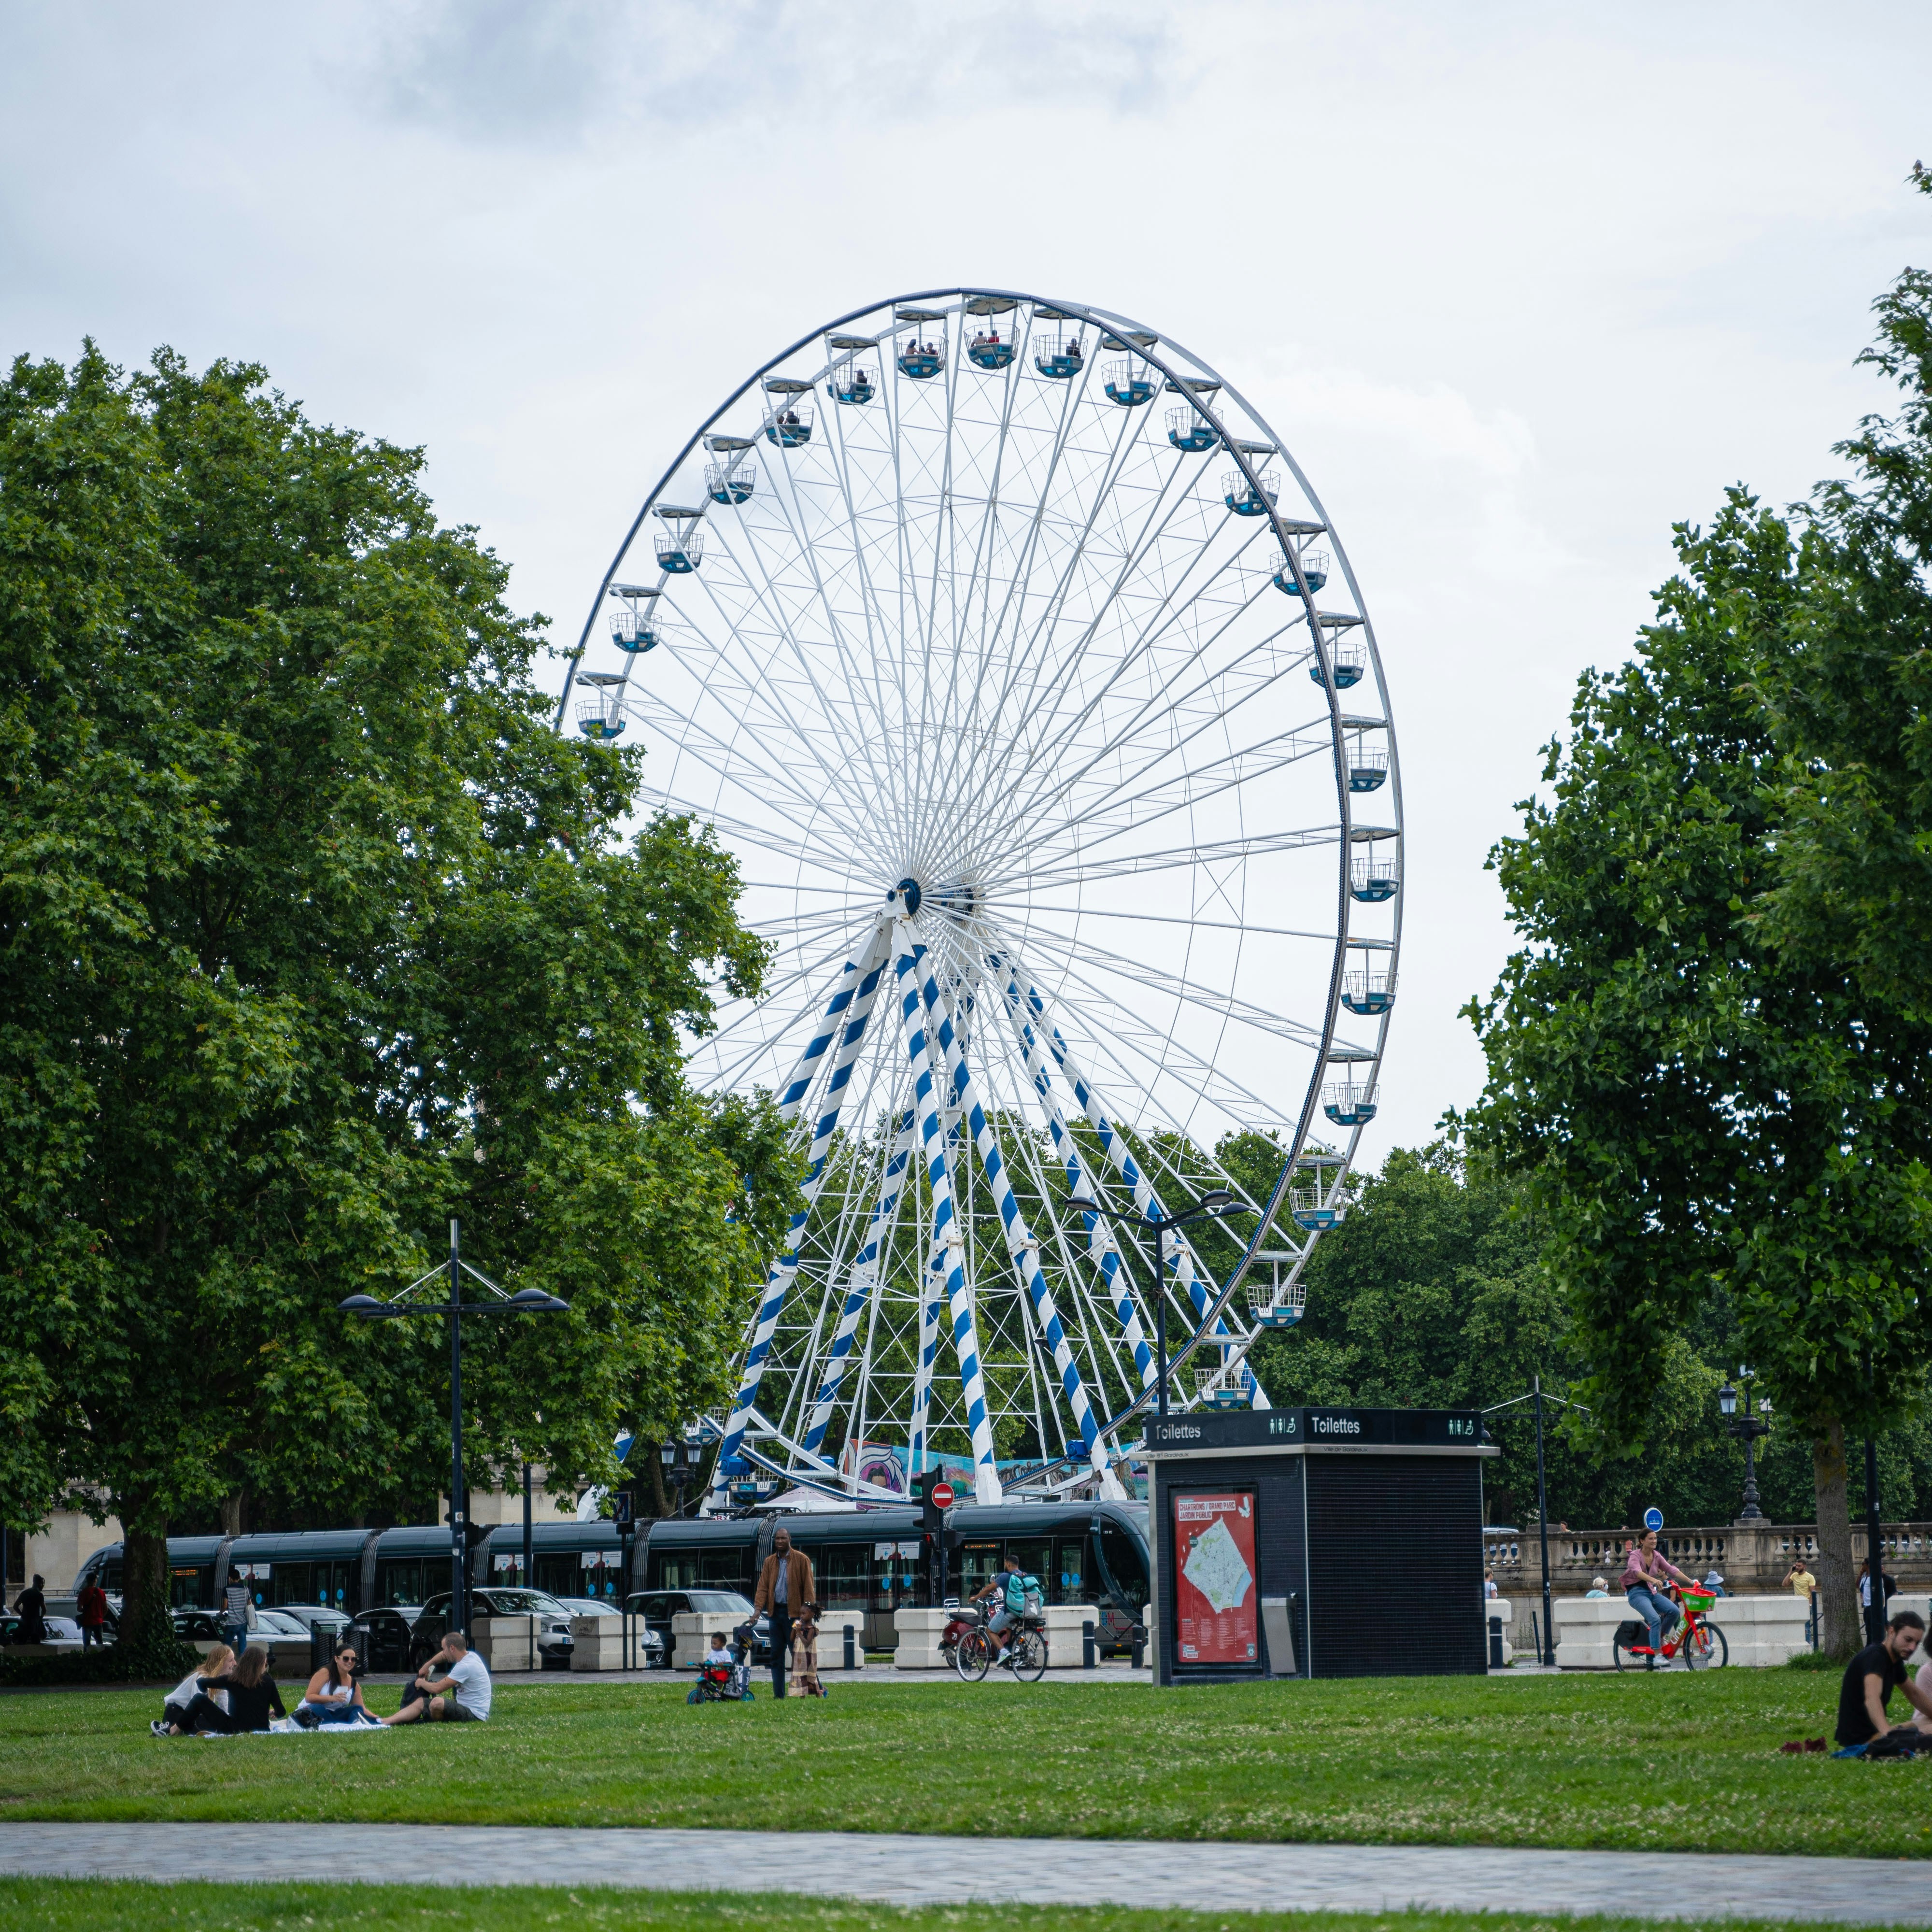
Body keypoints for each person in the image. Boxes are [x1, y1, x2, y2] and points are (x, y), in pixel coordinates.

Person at [1834, 1608, 1932, 1753]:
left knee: (1927, 1722)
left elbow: (1914, 1694)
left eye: (1917, 1643)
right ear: (1892, 1632)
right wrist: (1887, 1734)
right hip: (1864, 1741)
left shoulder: (1894, 1660)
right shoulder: (1876, 1657)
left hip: (1877, 1735)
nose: (1912, 1648)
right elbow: (1872, 1698)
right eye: (1908, 1640)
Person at [753, 1526, 817, 1699]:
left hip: (795, 1616)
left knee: (799, 1655)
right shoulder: (769, 1562)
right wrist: (758, 1610)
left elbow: (809, 1590)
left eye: (783, 1538)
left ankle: (814, 1688)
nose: (780, 1541)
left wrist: (807, 1616)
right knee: (776, 1657)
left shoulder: (802, 1560)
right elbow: (763, 1588)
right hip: (775, 1615)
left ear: (790, 1540)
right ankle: (779, 1695)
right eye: (777, 1539)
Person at [178, 1643, 285, 1734]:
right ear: (261, 1665)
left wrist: (205, 1691)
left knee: (199, 1699)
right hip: (262, 1728)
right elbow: (281, 1712)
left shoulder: (232, 1680)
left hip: (235, 1729)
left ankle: (178, 1729)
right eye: (265, 1664)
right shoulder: (268, 1682)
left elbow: (201, 1682)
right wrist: (274, 1712)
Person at [386, 1629, 490, 1724]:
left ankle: (430, 1721)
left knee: (437, 1702)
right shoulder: (470, 1656)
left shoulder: (465, 1666)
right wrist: (427, 1665)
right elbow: (442, 1656)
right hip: (464, 1709)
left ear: (452, 1648)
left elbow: (438, 1689)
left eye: (444, 1649)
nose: (443, 1653)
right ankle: (385, 1722)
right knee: (421, 1702)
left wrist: (421, 1683)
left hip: (475, 1715)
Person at [1620, 1529, 1694, 1662]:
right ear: (1642, 1541)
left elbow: (1671, 1570)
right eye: (1651, 1539)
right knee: (1655, 1619)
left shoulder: (1657, 1556)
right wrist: (1653, 1580)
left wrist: (1691, 1581)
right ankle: (1658, 1655)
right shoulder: (1635, 1556)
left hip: (1651, 1592)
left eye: (1655, 1539)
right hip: (1637, 1594)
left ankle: (1659, 1636)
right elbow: (1637, 1572)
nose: (1654, 1541)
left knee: (1674, 1611)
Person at [154, 1645, 233, 1736]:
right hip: (177, 1713)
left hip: (190, 1715)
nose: (235, 1663)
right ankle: (168, 1730)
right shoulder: (202, 1678)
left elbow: (225, 1709)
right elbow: (196, 1707)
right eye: (231, 1660)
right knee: (211, 1725)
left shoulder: (219, 1680)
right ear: (220, 1663)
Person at [297, 1639, 374, 1726]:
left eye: (354, 1659)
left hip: (334, 1714)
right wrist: (332, 1698)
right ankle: (340, 1724)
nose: (350, 1662)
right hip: (311, 1711)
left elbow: (362, 1708)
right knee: (319, 1708)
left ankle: (356, 1724)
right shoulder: (325, 1673)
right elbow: (309, 1698)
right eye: (346, 1659)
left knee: (356, 1708)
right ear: (336, 1659)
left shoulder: (353, 1683)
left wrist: (377, 1718)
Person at [971, 1562, 1018, 1660]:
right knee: (1009, 1628)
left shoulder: (1006, 1576)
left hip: (1010, 1611)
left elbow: (989, 1588)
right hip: (1023, 1611)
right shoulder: (1023, 1575)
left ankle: (1004, 1652)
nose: (1005, 1565)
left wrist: (976, 1597)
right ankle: (1015, 1650)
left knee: (990, 1631)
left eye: (1005, 1563)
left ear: (1009, 1564)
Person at [789, 1601, 825, 1700]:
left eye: (804, 1614)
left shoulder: (811, 1629)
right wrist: (794, 1629)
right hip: (799, 1656)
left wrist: (799, 1632)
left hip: (808, 1655)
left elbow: (807, 1643)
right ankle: (802, 1696)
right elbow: (791, 1639)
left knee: (809, 1676)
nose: (801, 1616)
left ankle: (819, 1692)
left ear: (812, 1614)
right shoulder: (800, 1627)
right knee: (800, 1675)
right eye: (800, 1614)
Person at [220, 1567, 253, 1654]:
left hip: (232, 1622)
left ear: (230, 1578)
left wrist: (220, 1612)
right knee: (243, 1649)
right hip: (243, 1622)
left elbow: (225, 1606)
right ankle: (244, 1665)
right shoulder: (247, 1590)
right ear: (239, 1578)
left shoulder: (227, 1589)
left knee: (226, 1648)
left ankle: (225, 1664)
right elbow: (250, 1605)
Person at [11, 1574, 48, 1646]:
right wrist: (40, 1618)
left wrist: (22, 1614)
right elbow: (44, 1610)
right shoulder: (39, 1595)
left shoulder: (25, 1593)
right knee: (36, 1645)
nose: (43, 1585)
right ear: (39, 1584)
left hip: (24, 1623)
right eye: (42, 1583)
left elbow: (15, 1606)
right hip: (35, 1624)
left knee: (22, 1643)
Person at [76, 1575, 109, 1650]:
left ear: (87, 1581)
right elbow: (106, 1609)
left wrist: (86, 1611)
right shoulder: (101, 1593)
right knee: (100, 1644)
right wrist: (101, 1617)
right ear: (95, 1581)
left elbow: (79, 1609)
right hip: (98, 1622)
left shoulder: (83, 1593)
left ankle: (87, 1658)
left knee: (87, 1645)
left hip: (87, 1622)